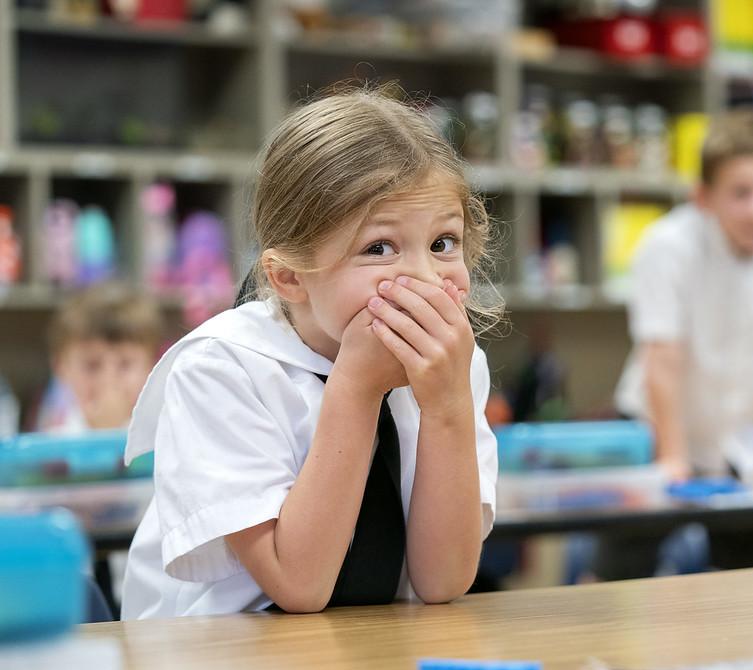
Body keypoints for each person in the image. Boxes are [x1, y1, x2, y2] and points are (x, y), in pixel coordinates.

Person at [120, 87, 502, 618]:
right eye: (379, 248)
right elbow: (298, 587)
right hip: (216, 656)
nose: (424, 279)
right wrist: (356, 387)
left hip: (369, 652)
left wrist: (448, 407)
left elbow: (442, 581)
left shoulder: (453, 362)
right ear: (289, 276)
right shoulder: (221, 368)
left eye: (442, 243)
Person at [614, 107, 753, 485]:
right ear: (703, 196)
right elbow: (662, 356)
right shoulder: (667, 246)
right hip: (659, 428)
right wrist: (672, 456)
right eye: (741, 193)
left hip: (745, 443)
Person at [35, 281, 163, 433]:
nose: (108, 380)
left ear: (152, 367)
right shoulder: (51, 444)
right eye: (92, 365)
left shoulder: (163, 439)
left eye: (125, 364)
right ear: (61, 367)